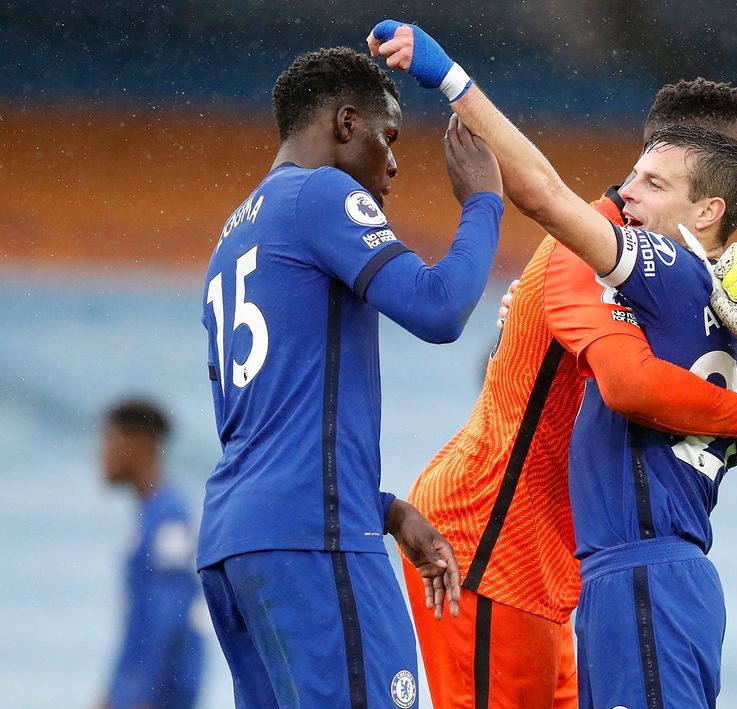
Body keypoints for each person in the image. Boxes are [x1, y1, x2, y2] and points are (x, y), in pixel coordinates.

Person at [371, 21, 737, 707]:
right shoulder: (592, 253)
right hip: (490, 539)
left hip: (563, 566)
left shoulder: (693, 271)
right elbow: (631, 383)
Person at [195, 47, 504, 708]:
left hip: (237, 542)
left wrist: (382, 508)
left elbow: (271, 422)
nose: (393, 163)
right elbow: (439, 307)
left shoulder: (234, 235)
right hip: (313, 537)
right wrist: (483, 202)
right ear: (345, 122)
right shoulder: (320, 193)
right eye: (387, 137)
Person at [99, 399, 203, 709]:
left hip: (158, 692)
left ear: (141, 443)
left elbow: (169, 610)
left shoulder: (169, 515)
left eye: (109, 441)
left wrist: (140, 694)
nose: (102, 455)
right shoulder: (150, 515)